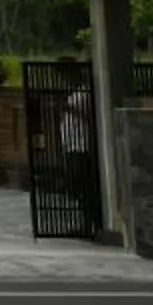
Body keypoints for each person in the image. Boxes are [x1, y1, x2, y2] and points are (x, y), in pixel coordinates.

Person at [56, 58, 100, 234]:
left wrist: (69, 109)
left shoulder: (86, 92)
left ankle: (89, 222)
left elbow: (92, 117)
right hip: (71, 144)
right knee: (75, 185)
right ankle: (87, 221)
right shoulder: (76, 93)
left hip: (82, 145)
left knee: (79, 184)